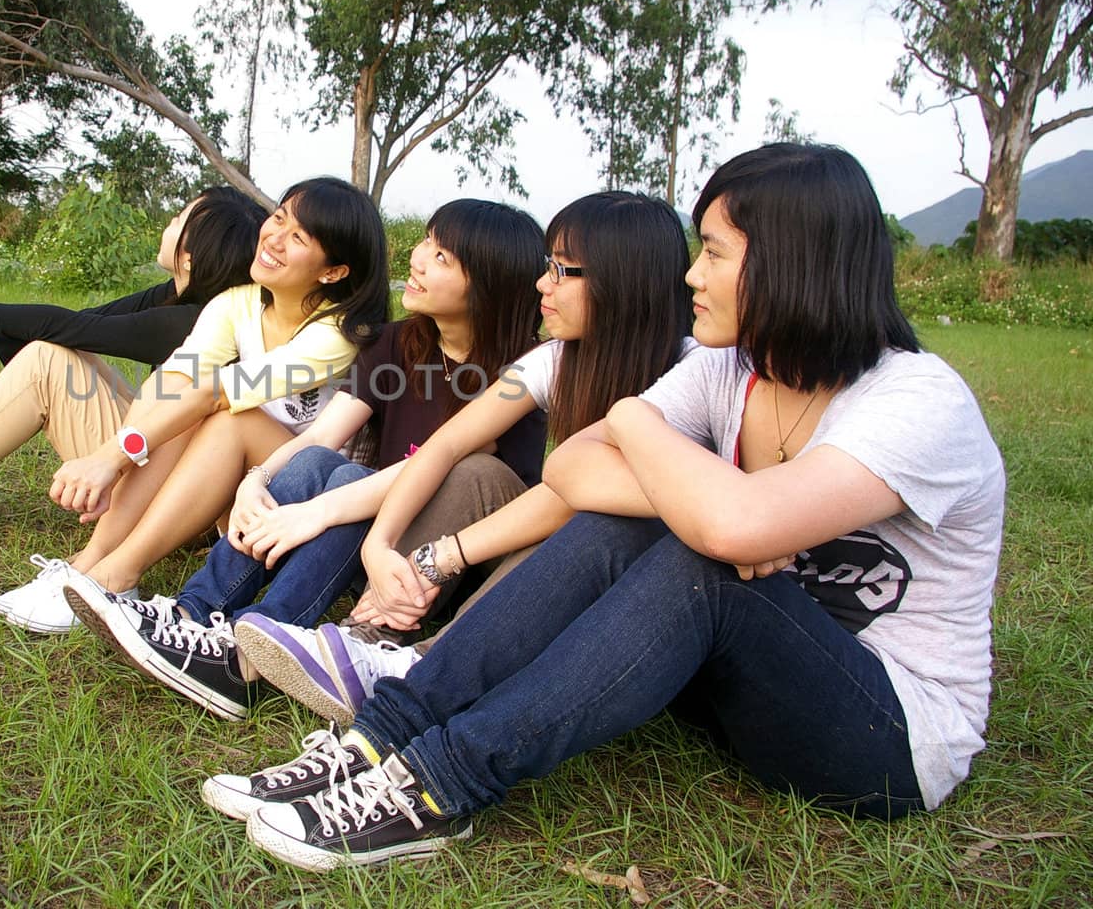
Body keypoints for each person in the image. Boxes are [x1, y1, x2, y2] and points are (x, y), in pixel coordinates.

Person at [211, 143, 1006, 872]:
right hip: (735, 691)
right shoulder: (730, 371)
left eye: (716, 254)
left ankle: (439, 782)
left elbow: (729, 530)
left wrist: (715, 504)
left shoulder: (915, 399)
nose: (693, 276)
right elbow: (576, 468)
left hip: (885, 731)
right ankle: (380, 733)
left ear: (793, 264)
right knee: (647, 519)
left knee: (705, 558)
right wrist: (641, 432)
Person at [61, 199, 547, 719]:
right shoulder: (394, 343)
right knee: (324, 463)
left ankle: (247, 653)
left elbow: (431, 466)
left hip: (439, 562)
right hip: (369, 543)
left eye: (443, 256)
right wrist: (257, 478)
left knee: (361, 479)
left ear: (489, 284)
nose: (419, 258)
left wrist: (319, 511)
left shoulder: (522, 371)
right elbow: (324, 433)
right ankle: (193, 612)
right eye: (426, 240)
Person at [229, 190, 695, 725]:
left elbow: (572, 498)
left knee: (564, 517)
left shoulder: (687, 374)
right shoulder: (556, 359)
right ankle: (356, 640)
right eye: (547, 268)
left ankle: (420, 668)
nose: (544, 285)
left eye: (564, 272)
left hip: (634, 583)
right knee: (452, 467)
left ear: (624, 283)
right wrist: (380, 547)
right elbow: (447, 443)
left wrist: (438, 557)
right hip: (469, 541)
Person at [0, 176, 391, 632]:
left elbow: (214, 395)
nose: (274, 238)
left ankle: (118, 575)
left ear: (333, 272)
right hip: (241, 498)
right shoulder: (236, 305)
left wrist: (109, 458)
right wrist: (120, 460)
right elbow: (173, 383)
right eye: (278, 218)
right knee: (174, 394)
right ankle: (91, 562)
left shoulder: (337, 333)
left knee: (225, 418)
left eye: (298, 237)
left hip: (313, 516)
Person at [0, 186, 266, 537]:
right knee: (53, 353)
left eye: (178, 219)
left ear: (191, 253)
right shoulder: (185, 297)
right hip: (172, 466)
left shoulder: (194, 320)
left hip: (182, 506)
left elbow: (71, 329)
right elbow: (81, 324)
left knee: (45, 359)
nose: (167, 224)